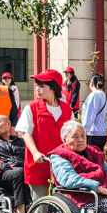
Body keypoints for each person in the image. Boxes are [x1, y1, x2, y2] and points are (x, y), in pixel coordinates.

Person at [15, 70, 72, 200]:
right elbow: (25, 132)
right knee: (41, 211)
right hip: (38, 166)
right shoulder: (32, 108)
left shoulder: (67, 110)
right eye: (37, 86)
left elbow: (72, 135)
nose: (37, 89)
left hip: (62, 167)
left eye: (42, 86)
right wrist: (35, 153)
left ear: (53, 88)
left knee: (62, 209)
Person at [80, 74, 107, 150]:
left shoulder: (94, 95)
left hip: (92, 133)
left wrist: (83, 131)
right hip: (102, 132)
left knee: (91, 159)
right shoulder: (105, 96)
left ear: (92, 84)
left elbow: (90, 114)